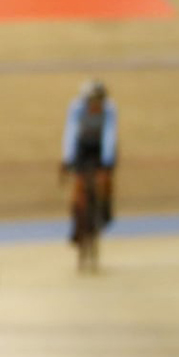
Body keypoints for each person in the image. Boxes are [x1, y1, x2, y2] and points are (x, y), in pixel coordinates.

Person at [61, 79, 117, 238]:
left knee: (105, 178)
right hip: (83, 144)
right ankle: (76, 223)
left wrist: (107, 161)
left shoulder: (109, 108)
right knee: (78, 184)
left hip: (100, 145)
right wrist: (68, 158)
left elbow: (109, 134)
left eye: (99, 102)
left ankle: (105, 209)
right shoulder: (77, 107)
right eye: (92, 102)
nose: (95, 105)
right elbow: (70, 132)